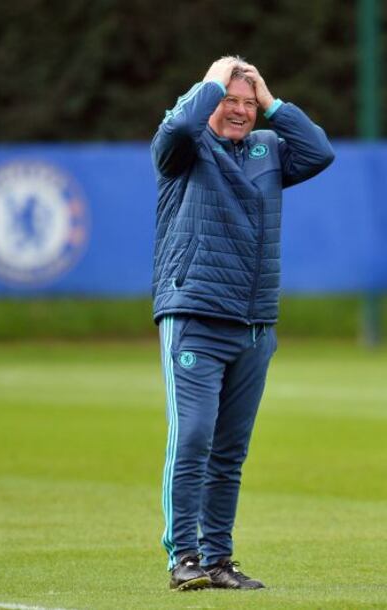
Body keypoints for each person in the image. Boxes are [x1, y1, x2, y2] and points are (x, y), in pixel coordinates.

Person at [150, 56, 334, 591]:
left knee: (230, 450)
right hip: (194, 314)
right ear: (210, 97)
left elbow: (320, 152)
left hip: (254, 322)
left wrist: (272, 101)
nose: (239, 110)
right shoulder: (183, 147)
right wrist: (214, 77)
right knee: (195, 436)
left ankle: (219, 559)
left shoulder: (268, 150)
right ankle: (183, 556)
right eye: (230, 99)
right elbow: (183, 123)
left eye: (248, 104)